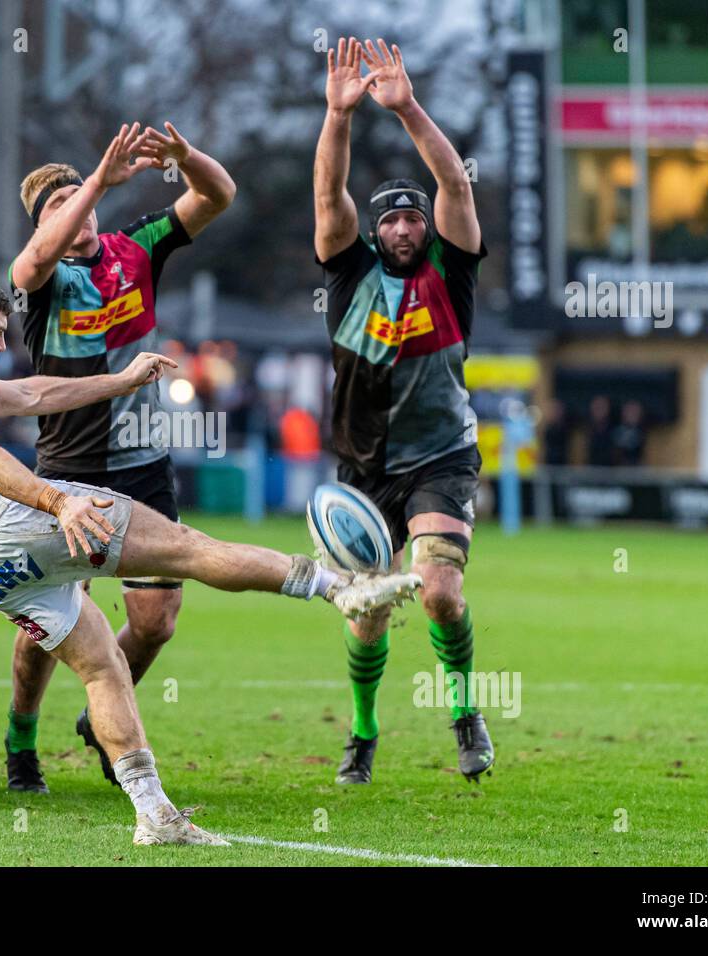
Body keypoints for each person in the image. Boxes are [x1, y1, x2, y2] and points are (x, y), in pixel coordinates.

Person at [0, 268, 421, 844]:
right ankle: (342, 589)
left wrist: (120, 381)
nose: (2, 345)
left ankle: (154, 815)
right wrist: (58, 500)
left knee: (103, 664)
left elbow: (31, 394)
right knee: (186, 549)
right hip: (16, 524)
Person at [4, 121, 236, 791]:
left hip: (142, 464)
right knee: (48, 624)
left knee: (155, 622)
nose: (77, 211)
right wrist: (97, 180)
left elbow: (219, 195)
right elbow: (34, 258)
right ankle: (21, 738)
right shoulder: (36, 279)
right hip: (65, 473)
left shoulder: (135, 248)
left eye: (82, 197)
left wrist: (186, 156)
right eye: (59, 204)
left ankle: (100, 715)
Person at [312, 37, 494, 784]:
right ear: (375, 232)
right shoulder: (349, 274)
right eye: (389, 221)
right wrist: (338, 118)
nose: (402, 229)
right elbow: (329, 198)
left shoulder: (452, 274)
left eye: (412, 219)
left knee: (443, 593)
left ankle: (464, 715)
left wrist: (408, 106)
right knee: (366, 619)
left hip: (440, 456)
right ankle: (362, 733)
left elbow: (455, 182)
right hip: (361, 468)